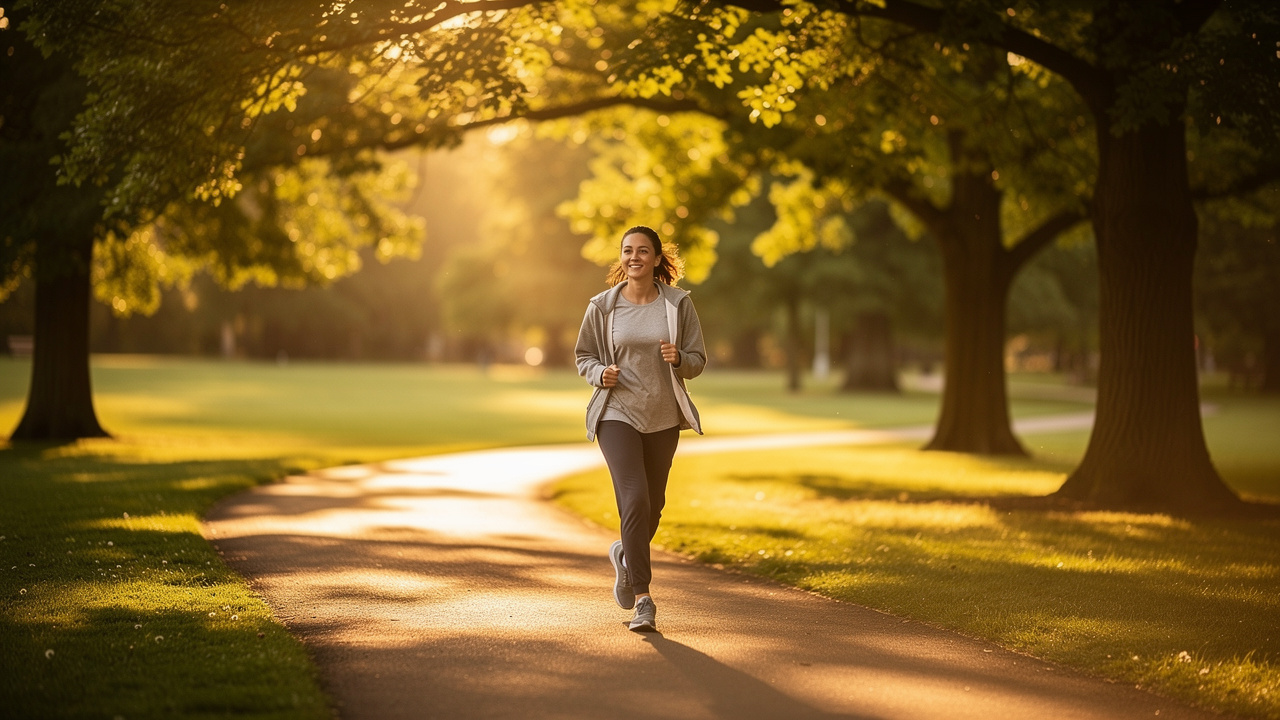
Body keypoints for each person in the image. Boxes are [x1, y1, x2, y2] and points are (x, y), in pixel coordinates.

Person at [574, 225, 706, 632]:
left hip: (663, 416)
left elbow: (698, 360)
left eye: (643, 251)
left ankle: (626, 555)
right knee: (634, 498)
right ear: (622, 257)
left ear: (656, 257)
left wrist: (679, 357)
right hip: (617, 413)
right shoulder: (602, 306)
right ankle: (643, 599)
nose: (634, 257)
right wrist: (600, 373)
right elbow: (583, 356)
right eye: (628, 250)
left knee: (654, 503)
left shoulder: (677, 304)